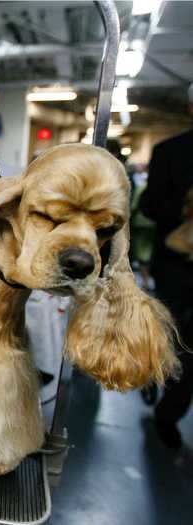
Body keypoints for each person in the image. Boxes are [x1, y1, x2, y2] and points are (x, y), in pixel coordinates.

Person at [139, 83, 193, 451]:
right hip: (174, 262)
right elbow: (148, 207)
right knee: (167, 326)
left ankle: (169, 413)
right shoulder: (170, 153)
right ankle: (148, 369)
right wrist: (183, 211)